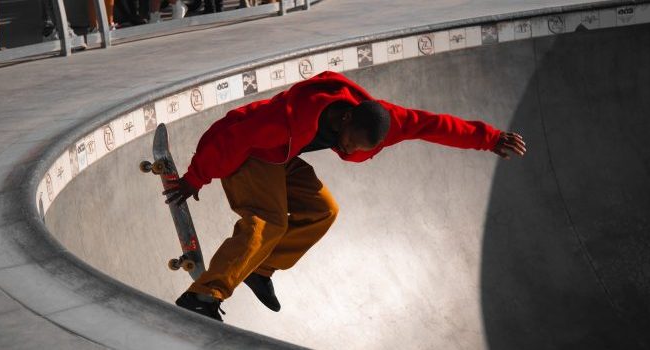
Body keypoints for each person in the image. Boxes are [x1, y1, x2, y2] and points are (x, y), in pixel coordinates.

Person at [164, 70, 527, 321]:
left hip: (281, 157)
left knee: (325, 210)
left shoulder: (387, 123)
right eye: (347, 142)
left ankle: (261, 268)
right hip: (250, 151)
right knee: (269, 223)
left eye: (355, 150)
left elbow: (435, 125)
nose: (346, 149)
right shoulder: (291, 116)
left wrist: (490, 139)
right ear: (345, 119)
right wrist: (196, 177)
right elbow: (234, 136)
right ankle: (204, 295)